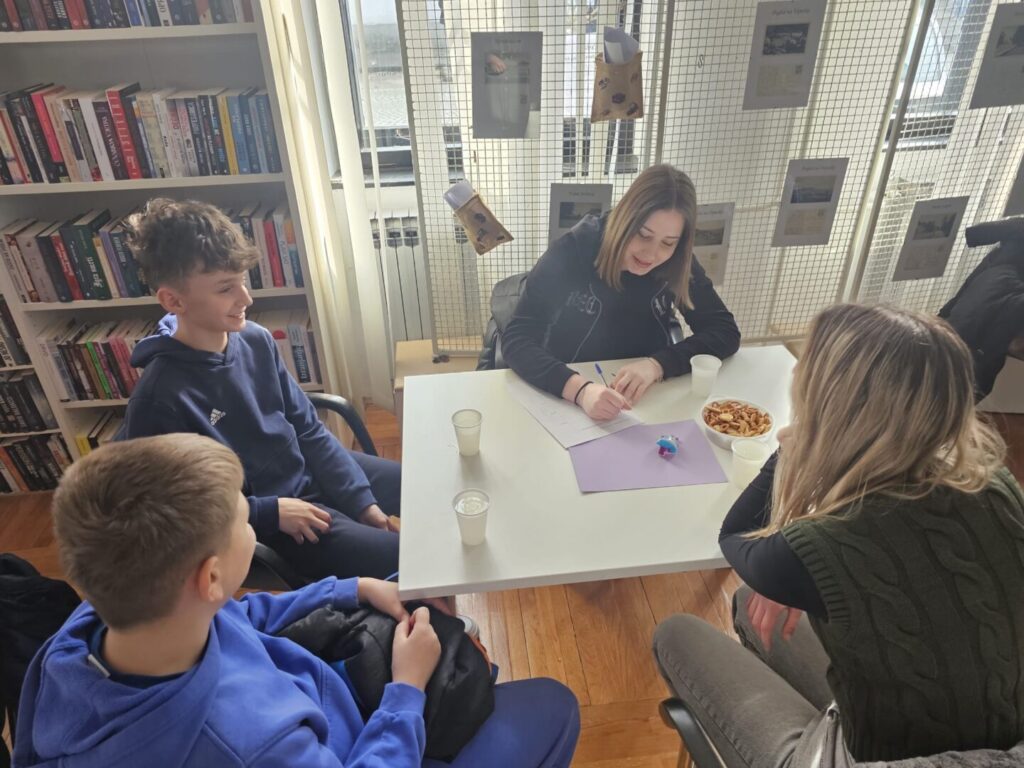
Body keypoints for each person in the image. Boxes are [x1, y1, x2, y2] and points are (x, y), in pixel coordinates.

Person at [13, 434, 580, 768]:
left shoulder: (95, 625)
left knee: (411, 586)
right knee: (555, 705)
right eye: (245, 521)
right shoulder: (251, 743)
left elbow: (241, 615)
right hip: (350, 743)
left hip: (316, 702)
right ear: (211, 576)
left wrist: (353, 587)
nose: (253, 527)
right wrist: (406, 690)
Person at [653, 304, 1024, 765]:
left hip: (867, 757)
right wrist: (796, 571)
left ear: (831, 405)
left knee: (676, 632)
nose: (797, 376)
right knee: (753, 599)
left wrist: (792, 452)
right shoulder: (997, 485)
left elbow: (735, 536)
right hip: (1003, 727)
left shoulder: (822, 546)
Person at [119, 198, 401, 581]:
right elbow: (172, 510)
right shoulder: (159, 400)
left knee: (427, 484)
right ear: (173, 300)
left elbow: (307, 428)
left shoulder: (255, 339)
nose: (246, 299)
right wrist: (267, 512)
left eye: (243, 280)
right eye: (225, 289)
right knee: (407, 561)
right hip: (269, 518)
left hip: (304, 469)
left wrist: (361, 502)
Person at [501, 164, 740, 422]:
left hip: (647, 395)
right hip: (570, 389)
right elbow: (518, 338)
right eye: (643, 235)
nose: (651, 254)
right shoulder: (575, 249)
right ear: (624, 220)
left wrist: (658, 365)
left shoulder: (678, 261)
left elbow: (724, 330)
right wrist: (580, 390)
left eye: (668, 243)